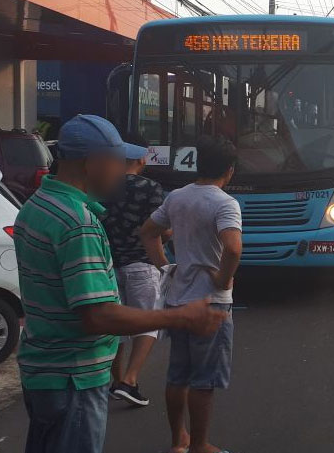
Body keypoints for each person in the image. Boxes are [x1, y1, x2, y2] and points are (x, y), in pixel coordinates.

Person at [12, 115, 227, 453]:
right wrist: (180, 317)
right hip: (74, 379)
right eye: (117, 161)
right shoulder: (77, 223)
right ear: (92, 163)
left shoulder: (36, 207)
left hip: (43, 372)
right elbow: (98, 316)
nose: (122, 170)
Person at [140, 136, 242, 453]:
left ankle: (178, 440)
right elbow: (233, 248)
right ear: (229, 170)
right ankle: (199, 446)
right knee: (204, 381)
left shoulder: (177, 197)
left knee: (178, 375)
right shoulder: (225, 203)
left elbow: (148, 232)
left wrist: (167, 267)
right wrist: (224, 281)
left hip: (178, 301)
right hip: (209, 306)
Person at [100, 135, 165, 407]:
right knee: (148, 324)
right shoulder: (151, 188)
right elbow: (158, 230)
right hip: (142, 265)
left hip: (107, 267)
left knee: (116, 327)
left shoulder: (103, 186)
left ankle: (116, 381)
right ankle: (130, 380)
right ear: (141, 158)